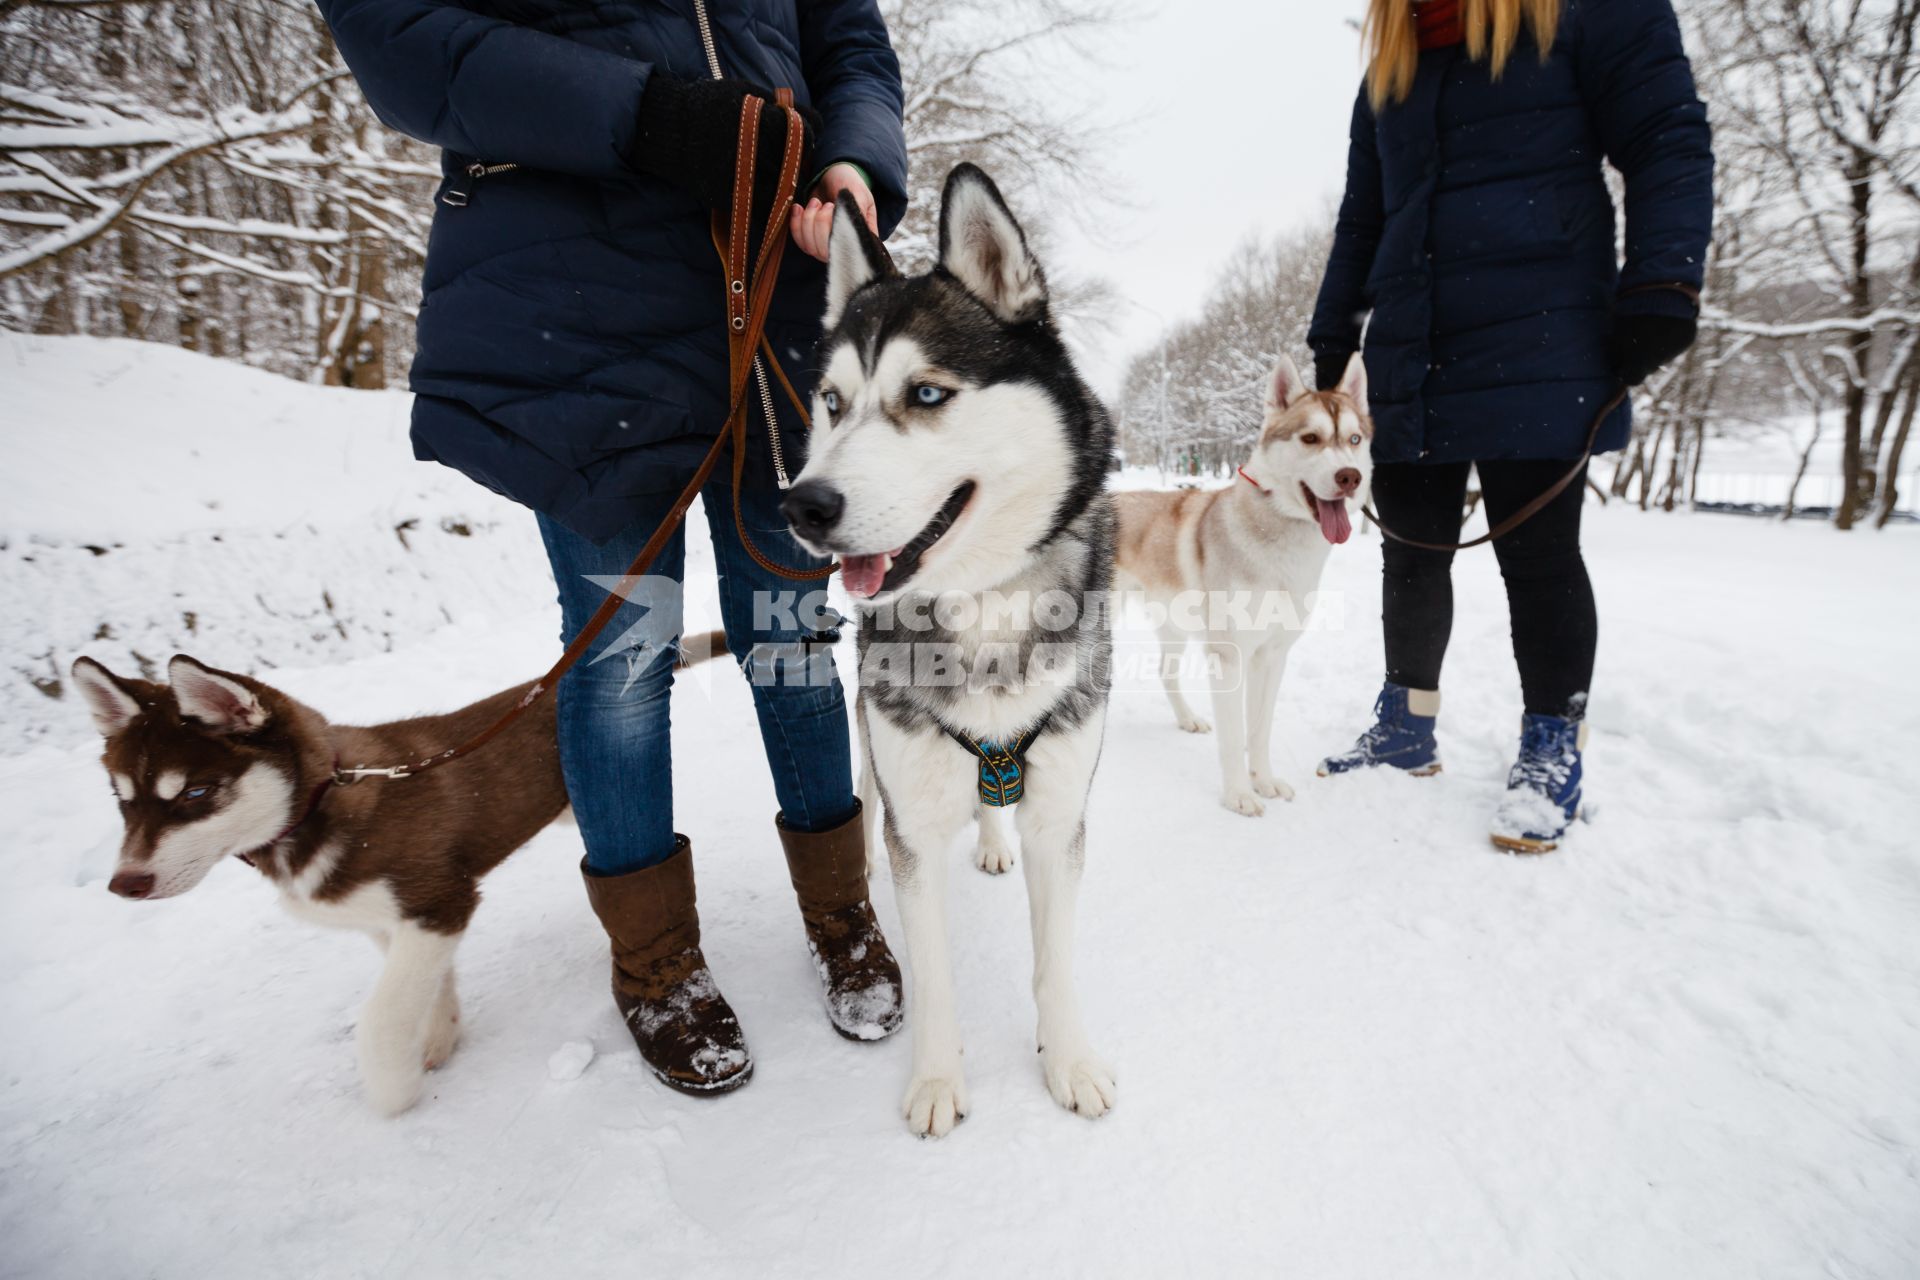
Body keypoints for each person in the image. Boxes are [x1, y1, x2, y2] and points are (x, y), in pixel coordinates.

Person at [315, 0, 910, 1095]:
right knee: (623, 662)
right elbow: (395, 35)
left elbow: (849, 45)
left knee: (790, 637)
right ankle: (654, 960)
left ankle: (841, 908)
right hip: (581, 328)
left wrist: (854, 159)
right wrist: (641, 116)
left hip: (777, 321)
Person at [1307, 0, 1713, 852]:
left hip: (1544, 330)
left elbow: (1665, 137)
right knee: (1411, 549)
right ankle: (1405, 723)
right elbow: (1363, 214)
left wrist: (1662, 284)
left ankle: (1550, 746)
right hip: (1414, 343)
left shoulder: (1591, 13)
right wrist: (1334, 334)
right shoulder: (1393, 64)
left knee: (1539, 555)